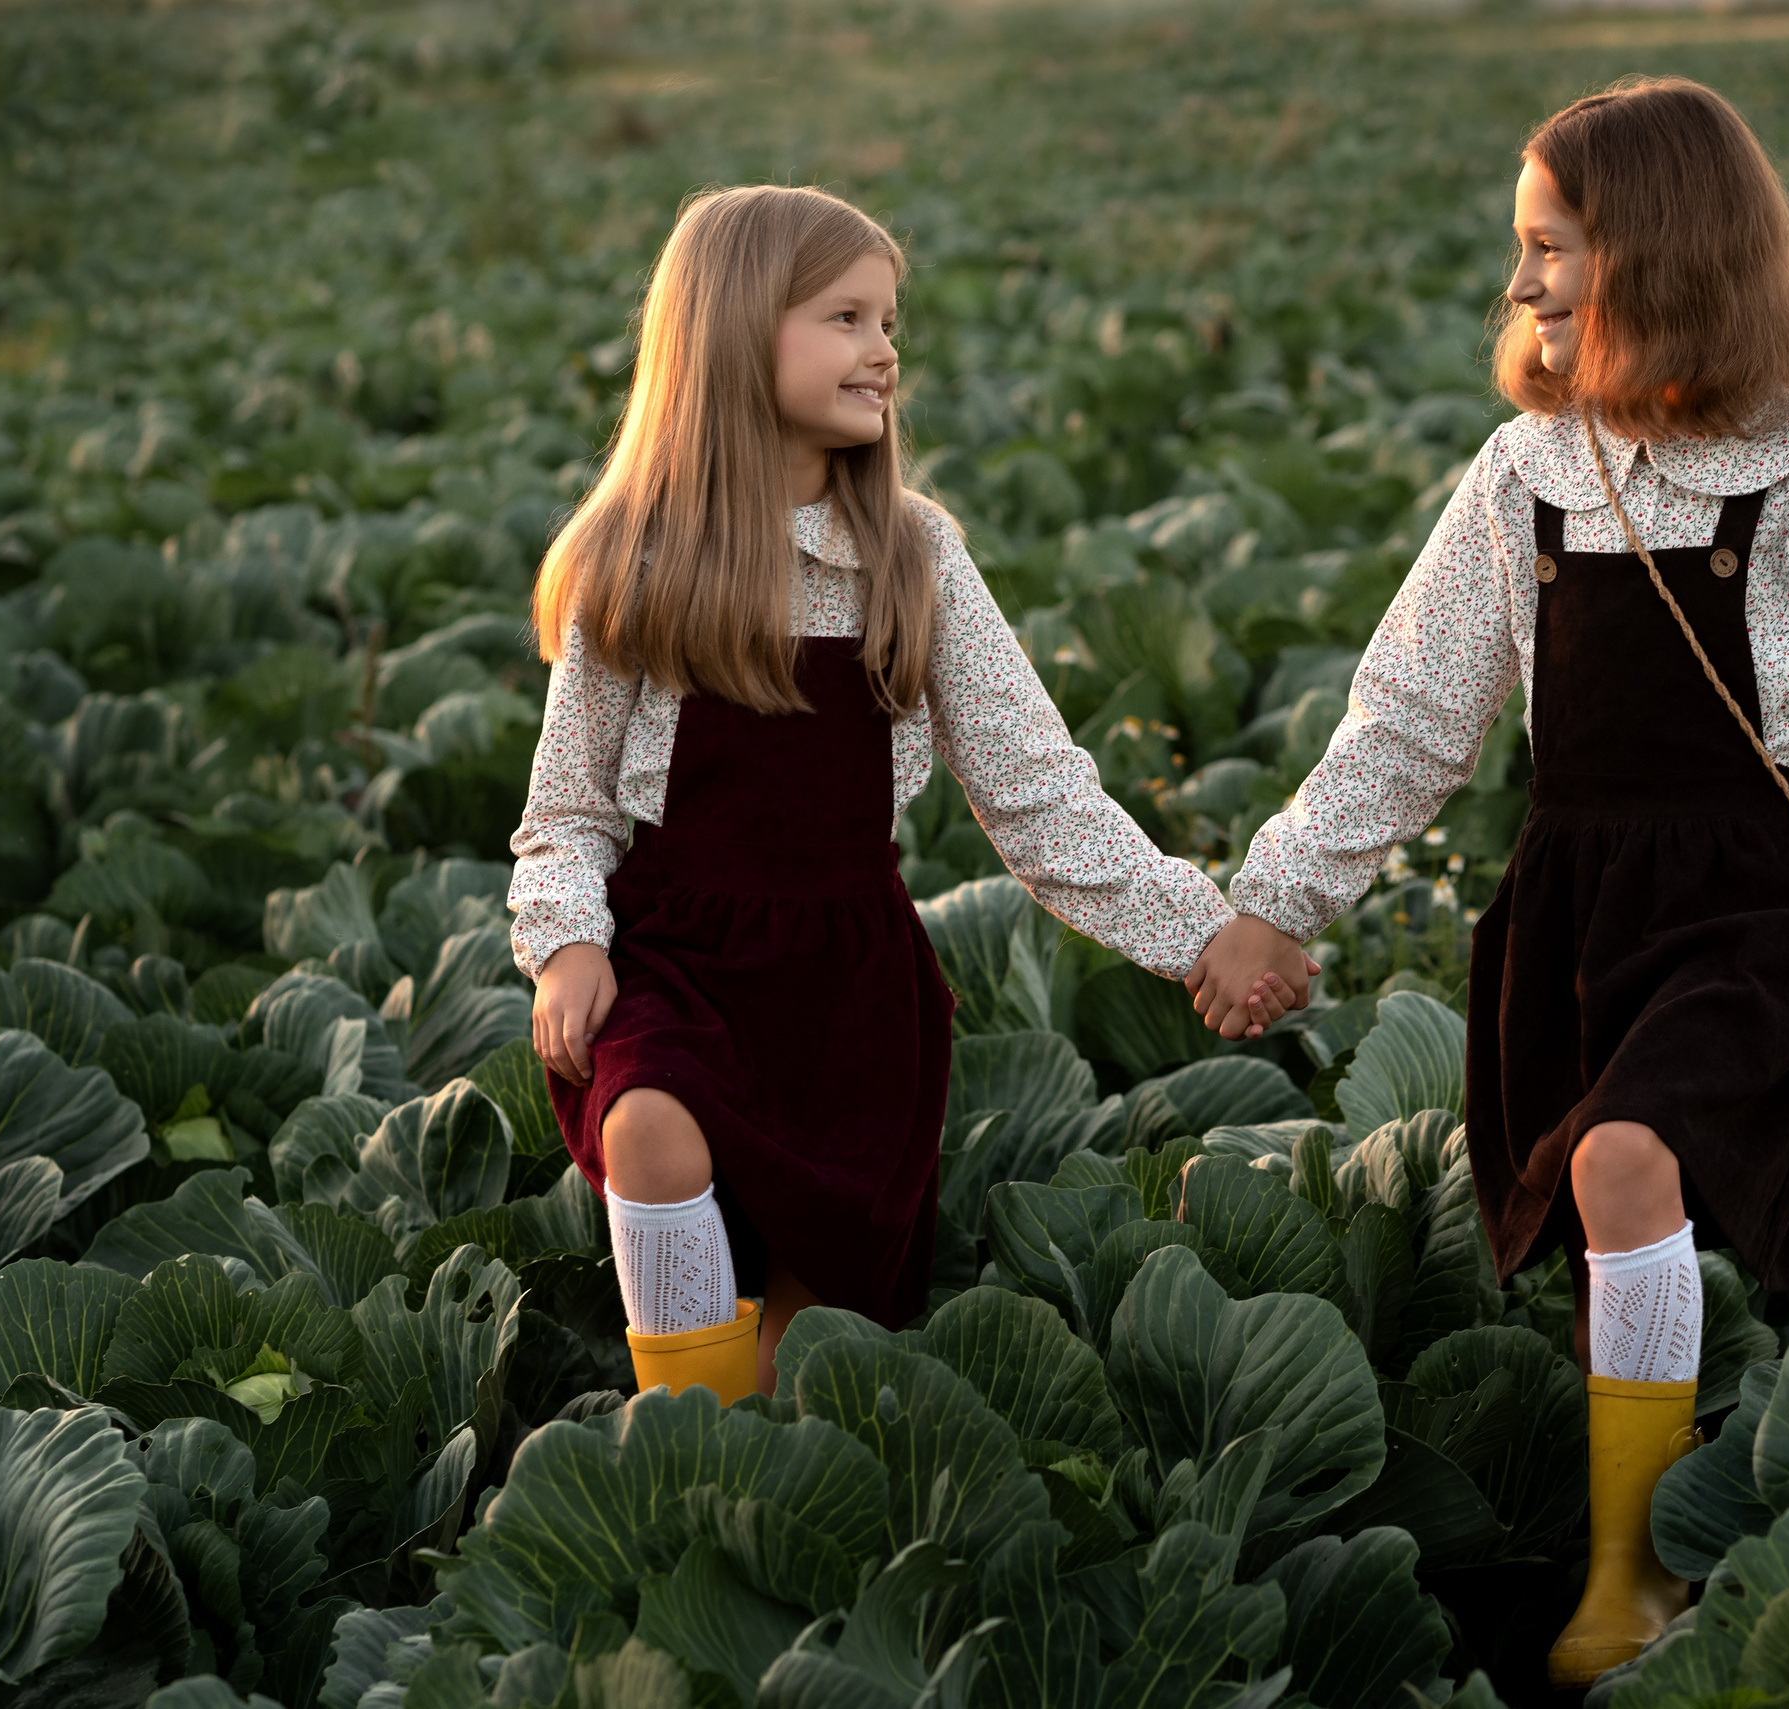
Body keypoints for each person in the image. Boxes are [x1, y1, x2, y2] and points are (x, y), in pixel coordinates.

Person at [1189, 79, 1789, 1686]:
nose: (1522, 281)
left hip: (1746, 910)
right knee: (1613, 1200)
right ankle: (1653, 1478)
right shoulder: (1524, 472)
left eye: (1551, 246)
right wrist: (1276, 900)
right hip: (1577, 908)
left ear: (1664, 249)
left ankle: (1633, 1573)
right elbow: (1411, 715)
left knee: (1624, 1155)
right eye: (1522, 246)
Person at [508, 185, 1242, 1405]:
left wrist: (1201, 934)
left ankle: (743, 1425)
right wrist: (567, 943)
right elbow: (568, 808)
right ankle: (683, 1442)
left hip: (851, 1001)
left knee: (811, 1365)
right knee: (647, 1124)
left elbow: (1037, 793)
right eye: (845, 318)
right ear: (735, 332)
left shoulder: (914, 554)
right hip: (679, 963)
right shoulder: (633, 558)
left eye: (889, 321)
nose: (884, 349)